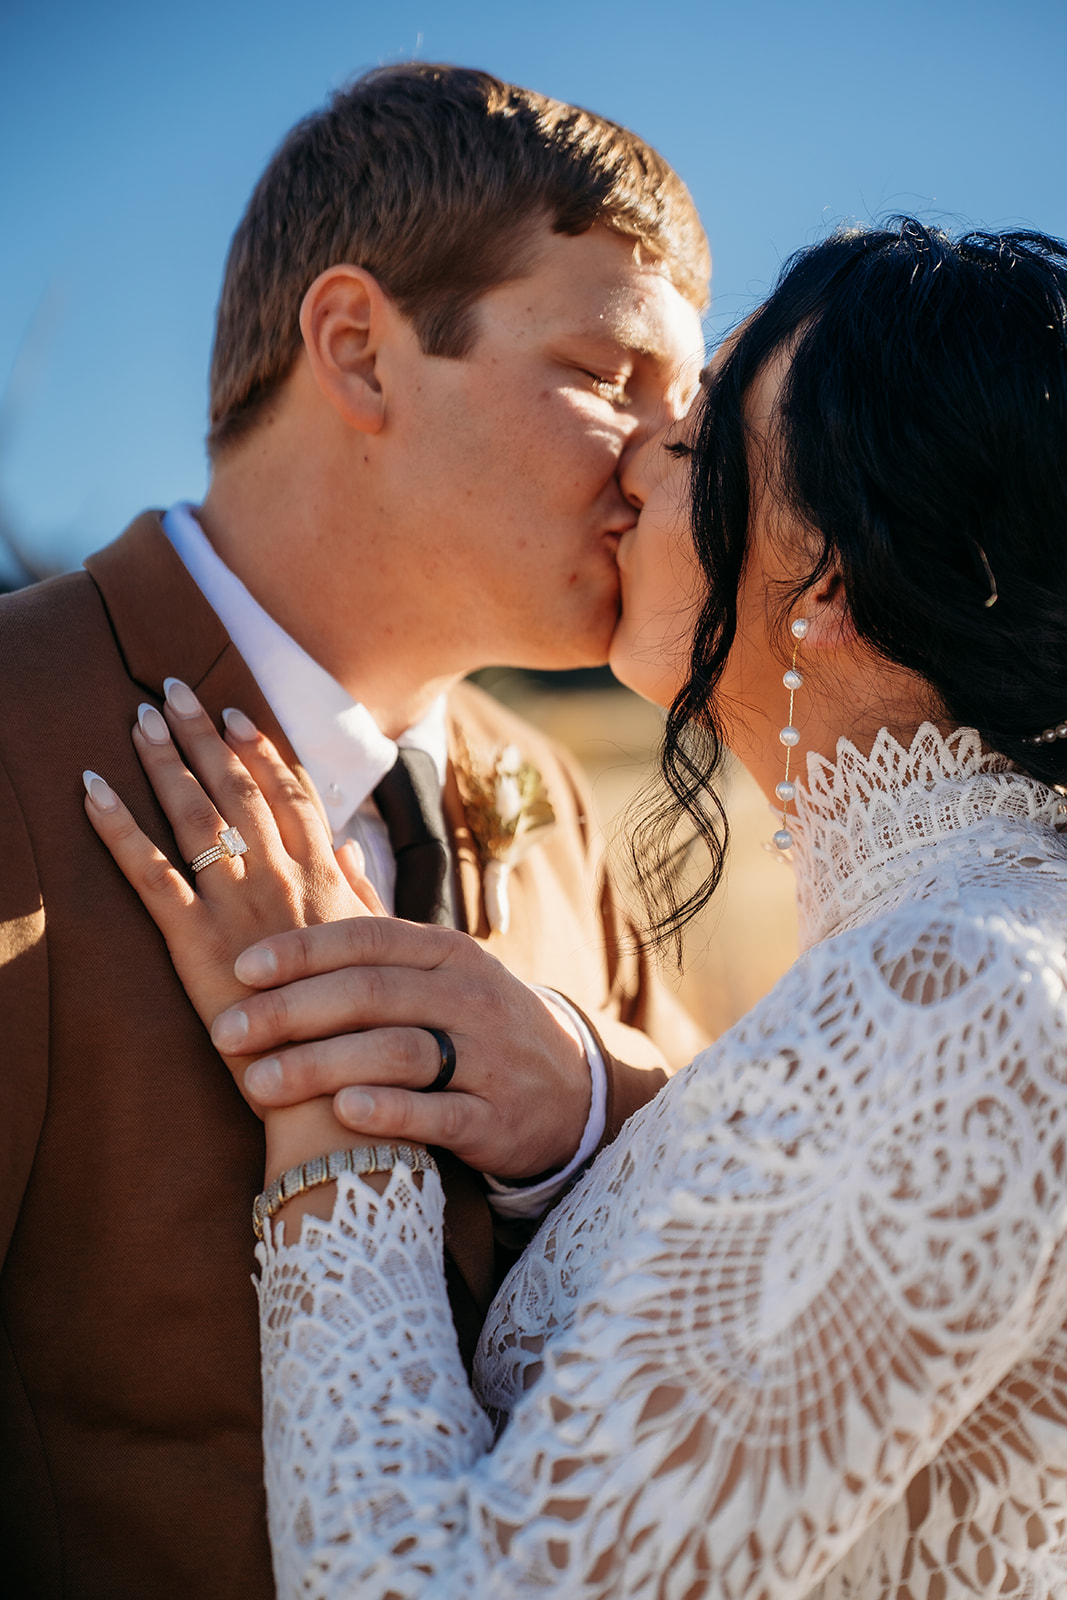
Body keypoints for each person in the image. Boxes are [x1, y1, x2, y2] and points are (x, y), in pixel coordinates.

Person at [89, 217, 1067, 1596]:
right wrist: (597, 1111)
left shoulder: (967, 988)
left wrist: (325, 1107)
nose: (630, 468)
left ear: (831, 579)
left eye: (693, 446)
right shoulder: (957, 944)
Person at [0, 64, 710, 1598]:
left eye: (687, 416)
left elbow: (736, 1210)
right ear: (358, 350)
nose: (661, 469)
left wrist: (587, 1092)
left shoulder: (564, 805)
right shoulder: (11, 731)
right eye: (606, 373)